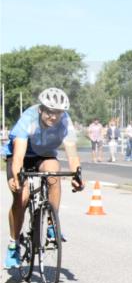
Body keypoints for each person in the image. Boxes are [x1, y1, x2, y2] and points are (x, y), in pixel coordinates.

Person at [4, 88, 84, 269]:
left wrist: (77, 175)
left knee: (54, 172)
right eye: (49, 111)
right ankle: (13, 244)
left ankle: (51, 224)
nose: (53, 117)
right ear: (41, 109)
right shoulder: (28, 120)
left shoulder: (65, 122)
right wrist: (17, 177)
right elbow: (18, 156)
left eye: (58, 113)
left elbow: (71, 152)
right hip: (20, 155)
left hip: (44, 155)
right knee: (22, 196)